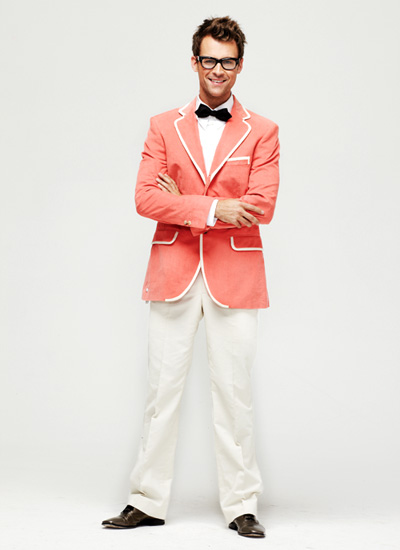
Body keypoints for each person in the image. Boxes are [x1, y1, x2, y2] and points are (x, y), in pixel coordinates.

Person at [102, 16, 280, 538]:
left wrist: (182, 201)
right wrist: (217, 207)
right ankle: (146, 500)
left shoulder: (263, 131)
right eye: (209, 59)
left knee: (235, 393)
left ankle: (242, 504)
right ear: (195, 61)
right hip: (173, 269)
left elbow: (261, 206)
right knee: (161, 391)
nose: (217, 70)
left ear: (240, 66)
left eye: (228, 61)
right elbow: (145, 199)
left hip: (236, 275)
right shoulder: (164, 126)